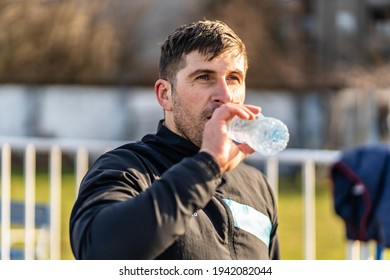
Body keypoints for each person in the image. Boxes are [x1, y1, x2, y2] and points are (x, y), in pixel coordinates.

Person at [69, 19, 280, 260]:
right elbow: (97, 254)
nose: (225, 96)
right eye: (204, 77)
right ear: (165, 95)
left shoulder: (257, 186)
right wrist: (206, 166)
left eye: (233, 78)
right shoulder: (127, 169)